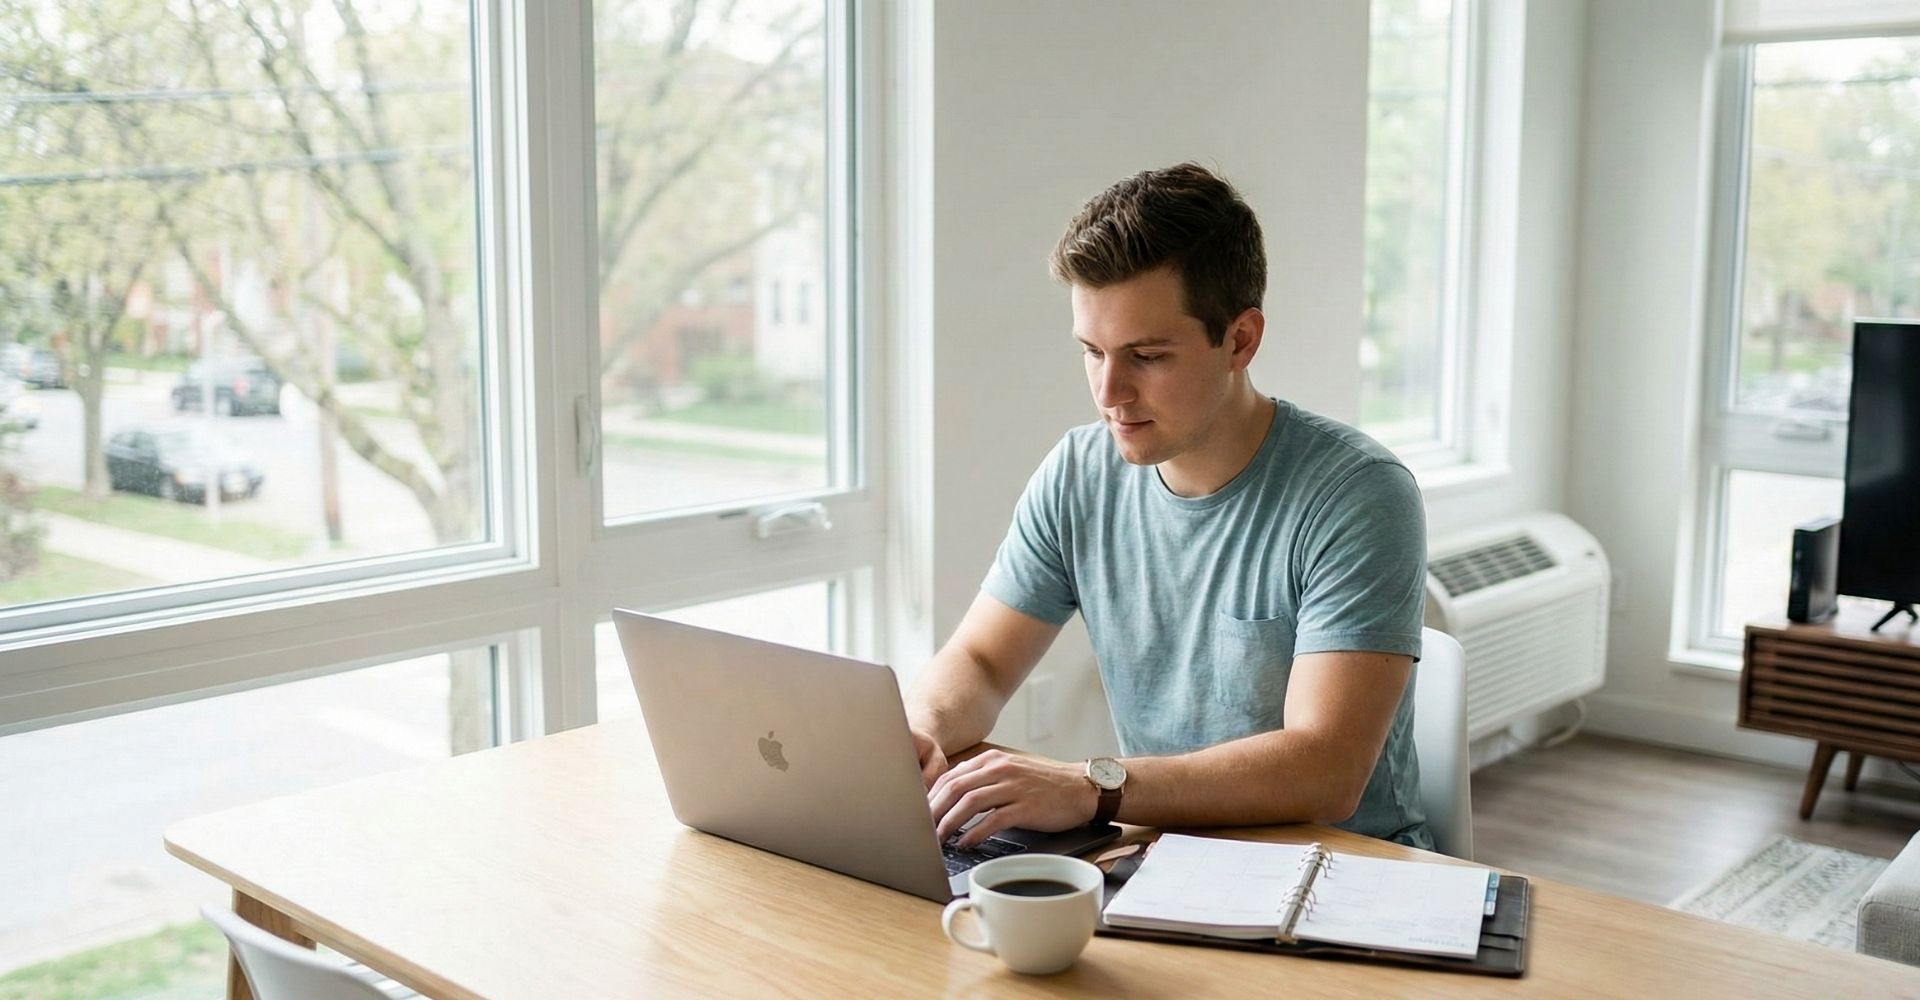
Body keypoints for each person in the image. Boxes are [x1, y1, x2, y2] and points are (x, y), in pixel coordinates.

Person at [905, 162, 1432, 852]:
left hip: (1339, 875)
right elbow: (980, 659)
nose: (1110, 391)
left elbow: (1326, 767)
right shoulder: (1078, 473)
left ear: (1240, 340)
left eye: (1147, 356)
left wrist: (1092, 786)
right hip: (1163, 854)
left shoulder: (1358, 494)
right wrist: (922, 732)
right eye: (1092, 353)